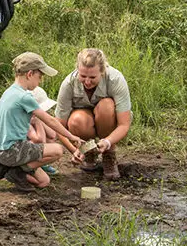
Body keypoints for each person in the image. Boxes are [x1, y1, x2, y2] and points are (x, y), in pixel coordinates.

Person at [0, 52, 83, 192]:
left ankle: (7, 169)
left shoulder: (8, 92)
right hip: (13, 150)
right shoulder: (24, 97)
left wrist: (2, 139)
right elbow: (50, 120)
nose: (40, 81)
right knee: (58, 150)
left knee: (43, 182)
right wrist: (71, 136)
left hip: (0, 151)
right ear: (30, 74)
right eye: (40, 77)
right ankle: (17, 171)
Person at [55, 48, 131, 180]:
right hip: (83, 121)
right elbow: (58, 126)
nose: (87, 82)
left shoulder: (115, 79)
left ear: (102, 71)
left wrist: (108, 141)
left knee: (106, 106)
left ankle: (108, 154)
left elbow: (124, 124)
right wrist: (74, 150)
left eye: (92, 77)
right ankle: (88, 152)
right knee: (76, 120)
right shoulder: (68, 84)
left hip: (107, 119)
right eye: (83, 76)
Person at [0, 85, 61, 176]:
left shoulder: (33, 117)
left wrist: (39, 121)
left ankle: (36, 163)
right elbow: (39, 140)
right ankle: (22, 167)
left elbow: (53, 134)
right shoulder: (22, 119)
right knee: (40, 143)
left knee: (50, 140)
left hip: (21, 145)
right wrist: (38, 122)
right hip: (17, 148)